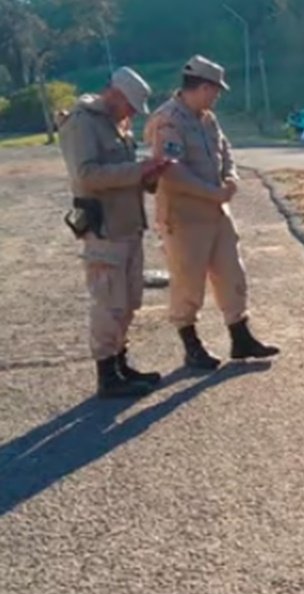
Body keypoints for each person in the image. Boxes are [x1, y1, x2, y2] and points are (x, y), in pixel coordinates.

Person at [144, 54, 278, 370]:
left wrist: (230, 177)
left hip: (217, 212)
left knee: (232, 272)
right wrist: (212, 192)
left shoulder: (207, 118)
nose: (217, 96)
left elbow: (225, 151)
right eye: (215, 90)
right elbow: (171, 171)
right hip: (184, 216)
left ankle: (240, 336)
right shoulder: (168, 120)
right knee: (188, 281)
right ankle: (191, 344)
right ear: (203, 87)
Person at [58, 67, 174, 398]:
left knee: (128, 300)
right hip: (104, 228)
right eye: (131, 105)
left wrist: (152, 173)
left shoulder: (117, 125)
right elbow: (86, 175)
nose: (134, 113)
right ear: (115, 95)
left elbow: (126, 175)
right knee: (108, 302)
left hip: (128, 225)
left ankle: (121, 363)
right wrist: (138, 169)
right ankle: (107, 374)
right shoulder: (83, 122)